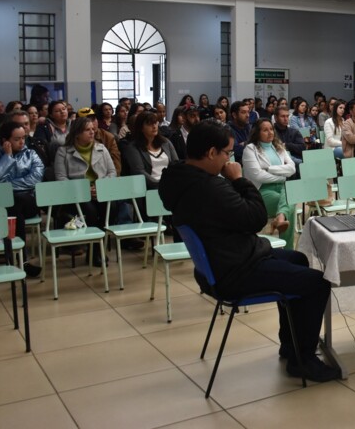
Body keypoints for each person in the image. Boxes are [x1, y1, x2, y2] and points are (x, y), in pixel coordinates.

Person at [159, 121, 338, 382]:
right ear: (211, 153)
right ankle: (304, 360)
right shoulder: (210, 187)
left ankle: (291, 346)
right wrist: (239, 179)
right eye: (226, 154)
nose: (229, 160)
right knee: (318, 284)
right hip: (237, 270)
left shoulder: (177, 178)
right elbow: (255, 219)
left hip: (221, 263)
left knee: (298, 258)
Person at [0, 121, 44, 277]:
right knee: (14, 208)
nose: (22, 142)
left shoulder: (31, 154)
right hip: (5, 206)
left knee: (15, 202)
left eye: (23, 137)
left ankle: (13, 257)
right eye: (17, 139)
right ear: (5, 141)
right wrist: (7, 157)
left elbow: (35, 179)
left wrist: (7, 186)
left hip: (29, 200)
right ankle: (22, 261)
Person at [55, 117, 117, 265]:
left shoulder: (101, 148)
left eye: (92, 129)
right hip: (76, 195)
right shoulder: (63, 152)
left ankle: (95, 250)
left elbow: (112, 172)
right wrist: (85, 190)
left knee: (111, 207)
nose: (92, 132)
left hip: (100, 191)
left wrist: (100, 187)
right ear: (77, 133)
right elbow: (61, 178)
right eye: (87, 130)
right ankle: (96, 251)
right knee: (90, 211)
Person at [242, 119, 297, 246]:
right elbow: (258, 175)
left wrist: (269, 169)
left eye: (271, 129)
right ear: (257, 133)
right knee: (291, 204)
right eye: (265, 130)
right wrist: (282, 177)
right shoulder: (250, 149)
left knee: (289, 198)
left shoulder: (278, 147)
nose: (270, 132)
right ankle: (288, 248)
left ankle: (280, 218)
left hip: (282, 188)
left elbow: (292, 168)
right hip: (261, 191)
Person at [121, 111, 178, 190]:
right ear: (141, 128)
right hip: (148, 188)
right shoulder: (133, 148)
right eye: (149, 124)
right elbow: (139, 172)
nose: (154, 126)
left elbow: (176, 164)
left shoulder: (166, 142)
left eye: (155, 123)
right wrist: (161, 184)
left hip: (170, 185)